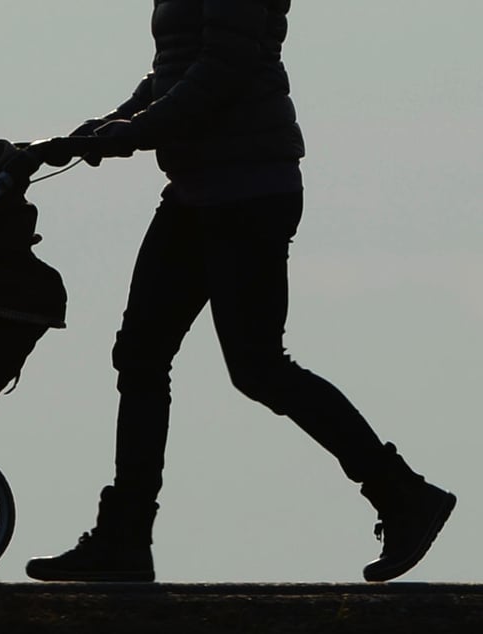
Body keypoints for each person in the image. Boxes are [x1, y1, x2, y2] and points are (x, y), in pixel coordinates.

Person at [26, 1, 455, 583]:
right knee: (141, 354)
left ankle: (401, 494)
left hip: (249, 187)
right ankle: (125, 537)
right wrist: (106, 125)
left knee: (257, 366)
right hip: (196, 188)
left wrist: (134, 133)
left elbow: (221, 69)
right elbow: (173, 71)